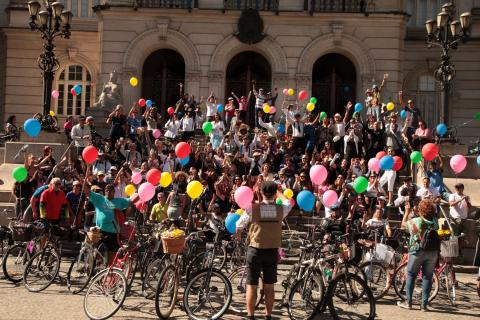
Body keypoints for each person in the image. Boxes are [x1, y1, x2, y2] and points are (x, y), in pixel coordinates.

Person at [235, 181, 292, 320]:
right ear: (274, 193)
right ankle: (268, 316)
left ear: (261, 193)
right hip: (272, 251)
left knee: (251, 285)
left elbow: (238, 225)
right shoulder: (280, 210)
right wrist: (278, 191)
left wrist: (237, 236)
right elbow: (288, 202)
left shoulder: (252, 209)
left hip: (255, 249)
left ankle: (251, 316)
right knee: (269, 286)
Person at [398, 199, 440, 311]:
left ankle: (409, 302)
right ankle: (424, 305)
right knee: (428, 277)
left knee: (411, 274)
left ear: (421, 210)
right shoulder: (435, 221)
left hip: (417, 250)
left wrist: (407, 212)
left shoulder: (417, 221)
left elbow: (403, 225)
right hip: (433, 251)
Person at [84, 182, 138, 264]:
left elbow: (131, 200)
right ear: (105, 191)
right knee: (97, 252)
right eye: (107, 190)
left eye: (111, 190)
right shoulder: (99, 198)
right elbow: (87, 192)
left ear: (114, 192)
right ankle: (93, 269)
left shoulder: (119, 201)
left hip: (114, 232)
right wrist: (83, 182)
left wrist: (139, 193)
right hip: (100, 231)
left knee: (112, 255)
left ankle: (109, 272)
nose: (109, 192)